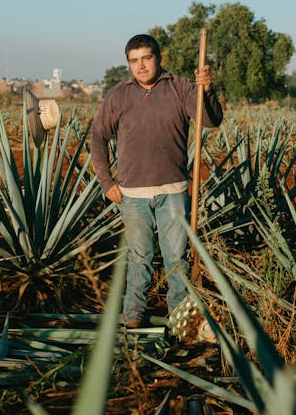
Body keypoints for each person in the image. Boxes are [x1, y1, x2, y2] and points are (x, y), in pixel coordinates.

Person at [90, 33, 224, 328]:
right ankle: (133, 317)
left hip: (173, 190)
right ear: (128, 63)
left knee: (177, 259)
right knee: (139, 258)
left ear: (158, 58)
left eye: (146, 59)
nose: (140, 66)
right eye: (134, 61)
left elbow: (211, 120)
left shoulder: (180, 87)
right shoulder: (119, 95)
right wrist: (106, 182)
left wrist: (207, 90)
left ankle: (180, 321)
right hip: (132, 194)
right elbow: (97, 137)